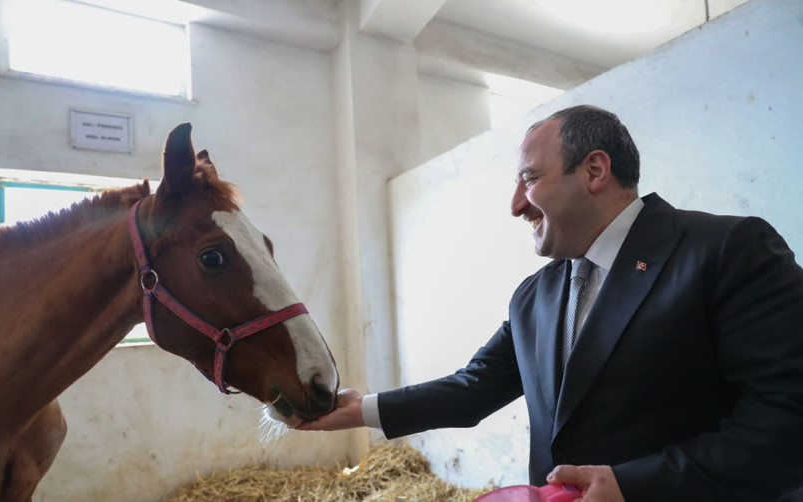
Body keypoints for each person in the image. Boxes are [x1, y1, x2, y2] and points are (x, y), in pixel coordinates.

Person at [297, 105, 803, 501]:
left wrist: (638, 486)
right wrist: (360, 410)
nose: (516, 204)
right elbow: (474, 388)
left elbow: (786, 415)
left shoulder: (726, 249)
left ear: (595, 170)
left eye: (530, 179)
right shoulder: (534, 295)